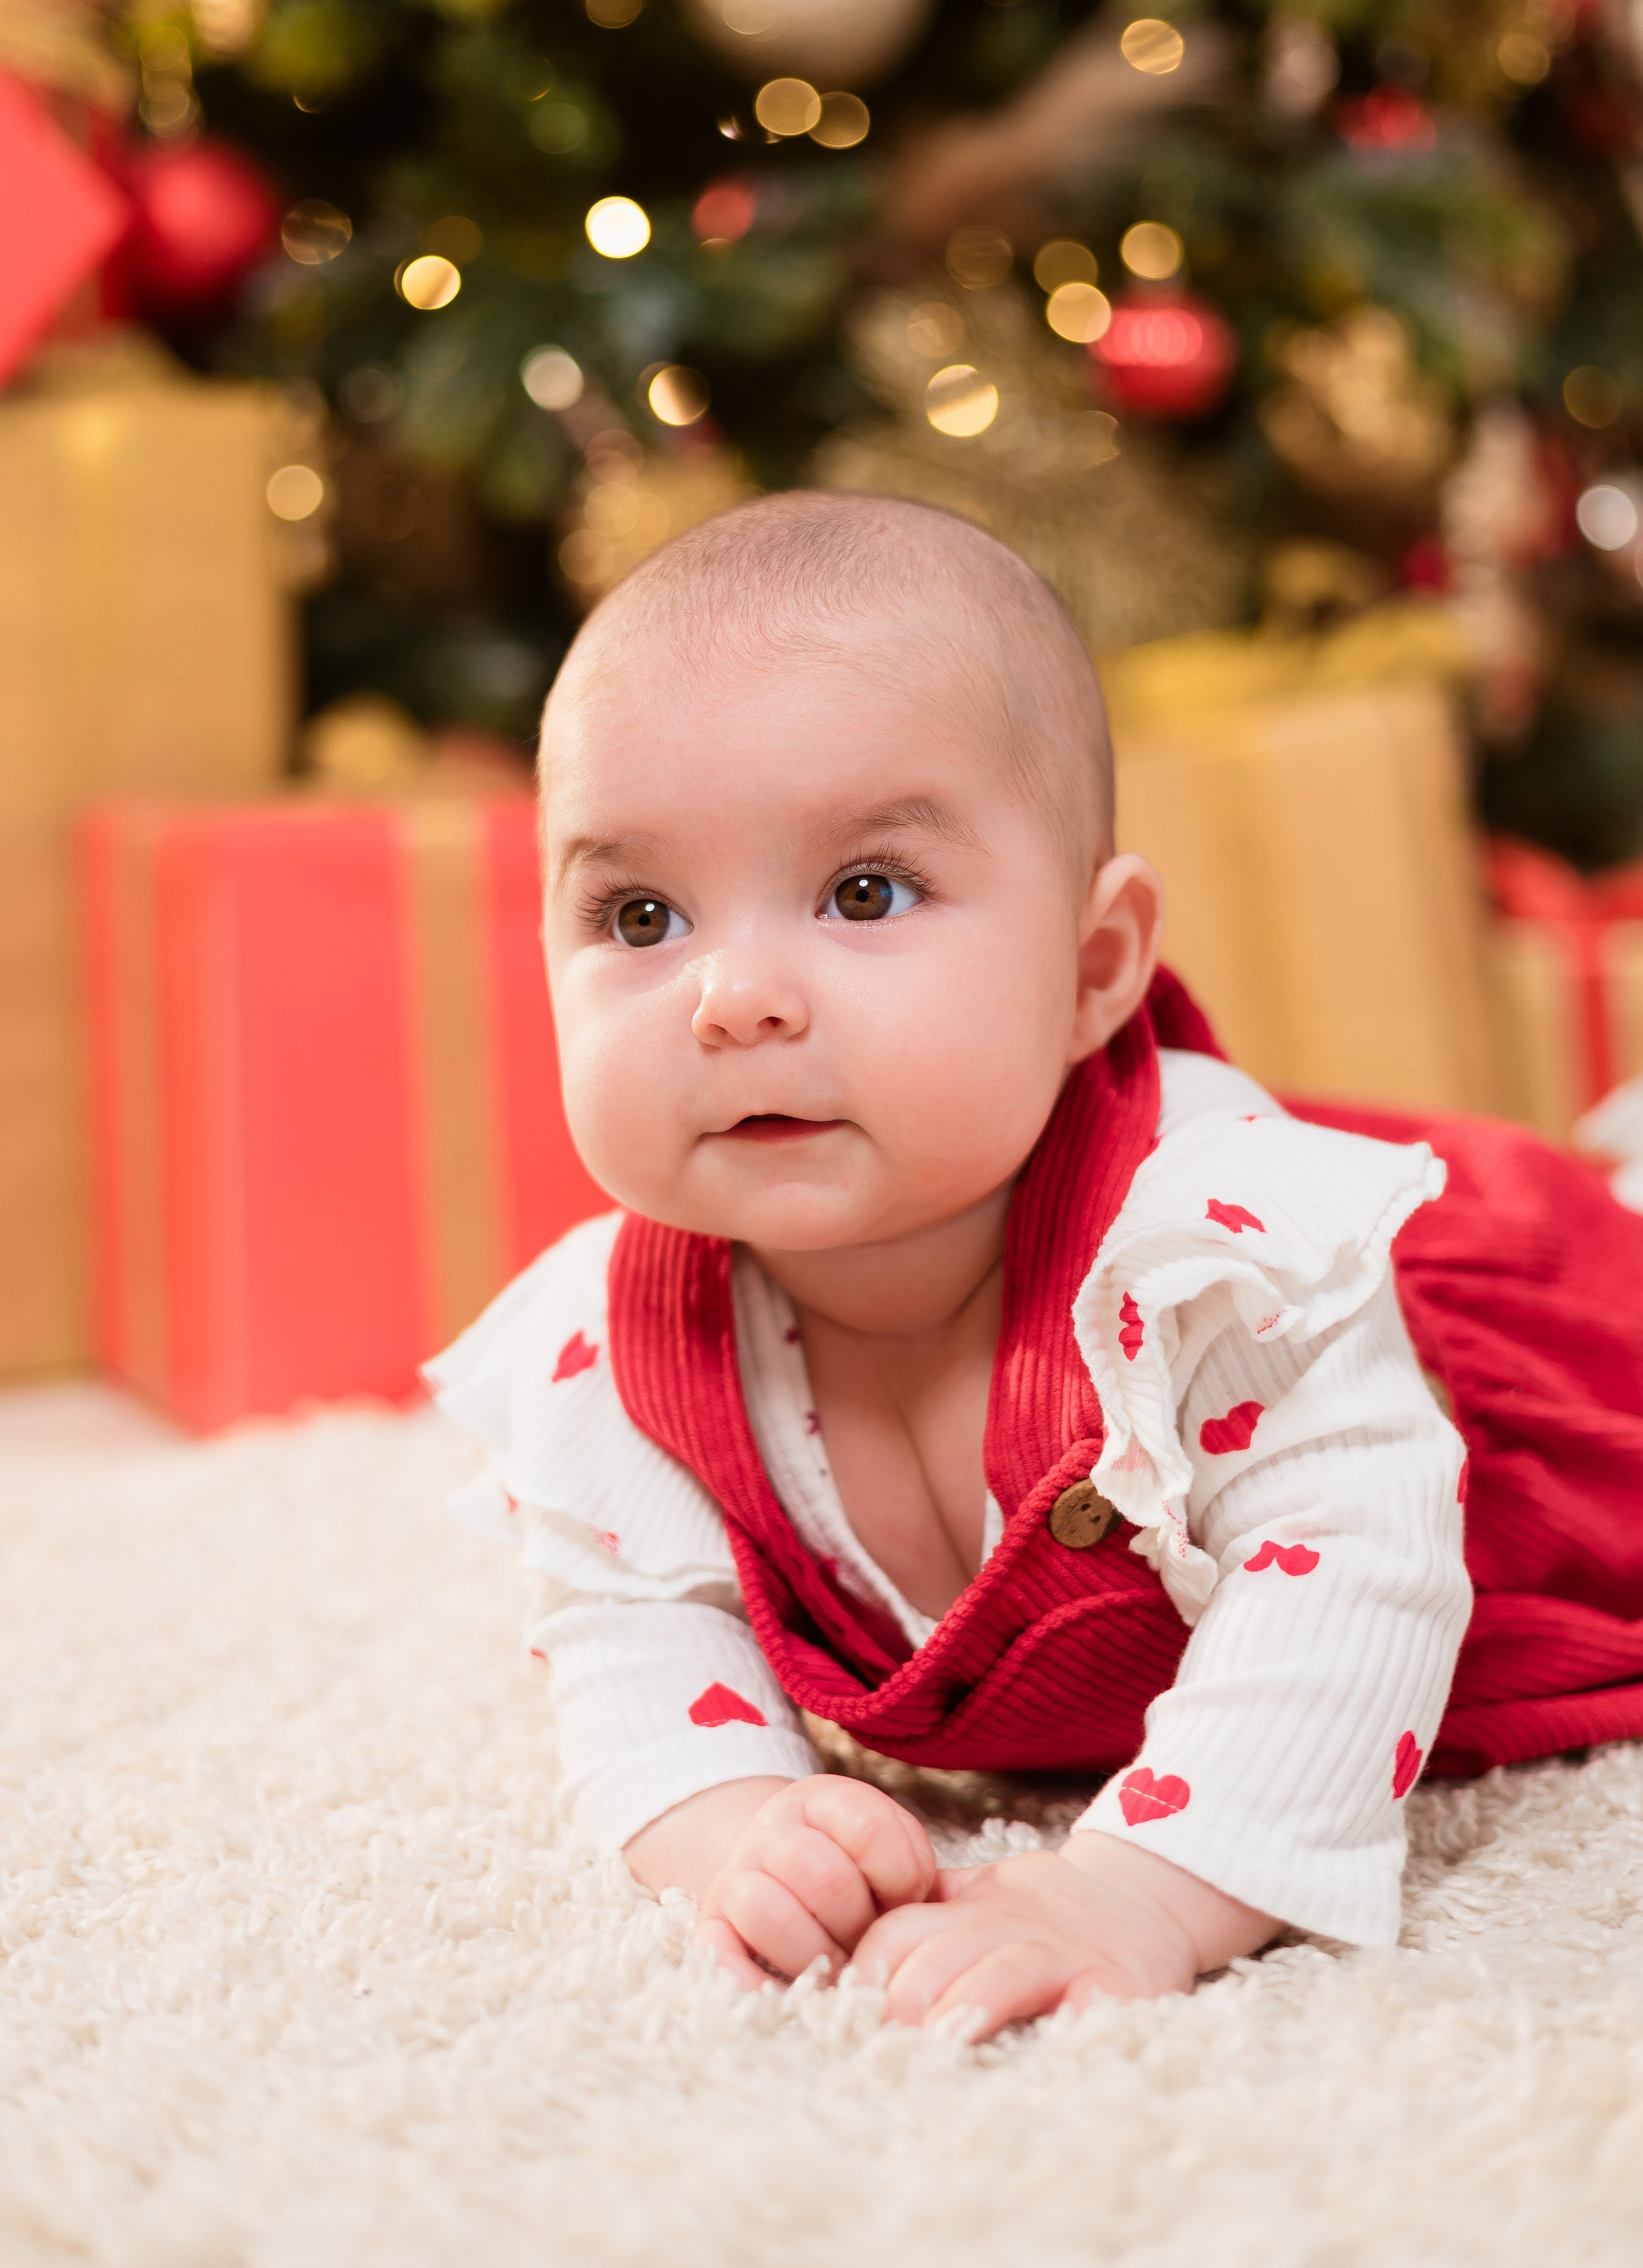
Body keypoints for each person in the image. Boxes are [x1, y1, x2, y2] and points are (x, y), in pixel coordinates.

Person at [429, 491, 1643, 2041]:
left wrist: (1139, 1886)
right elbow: (628, 1628)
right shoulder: (615, 1346)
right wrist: (729, 1821)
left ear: (1091, 970)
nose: (732, 997)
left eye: (864, 891)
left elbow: (1354, 1568)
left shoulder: (1210, 1252)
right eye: (639, 913)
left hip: (1536, 1408)